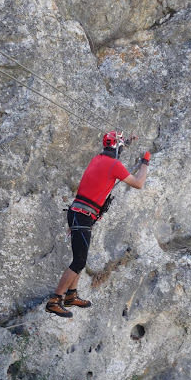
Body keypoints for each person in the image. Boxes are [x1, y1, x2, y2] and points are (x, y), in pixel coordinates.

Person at [45, 131, 151, 318]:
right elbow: (138, 183)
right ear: (116, 148)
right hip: (82, 216)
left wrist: (125, 143)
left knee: (80, 257)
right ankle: (55, 300)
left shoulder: (98, 159)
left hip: (80, 215)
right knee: (79, 261)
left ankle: (71, 295)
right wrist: (145, 162)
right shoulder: (113, 164)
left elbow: (115, 152)